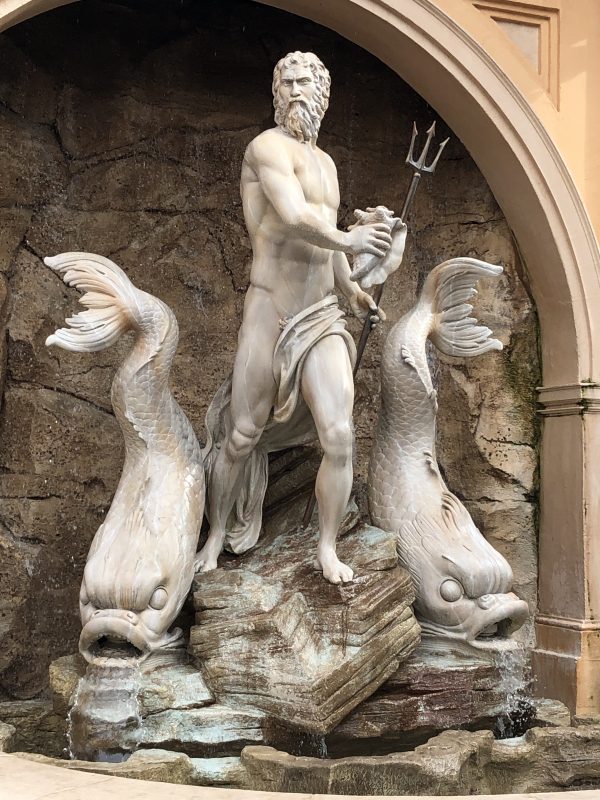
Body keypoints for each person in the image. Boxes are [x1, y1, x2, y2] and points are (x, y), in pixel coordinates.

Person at [196, 51, 392, 584]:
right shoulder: (265, 148)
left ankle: (326, 549)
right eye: (285, 83)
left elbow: (324, 243)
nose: (294, 91)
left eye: (304, 82)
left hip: (321, 315)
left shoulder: (326, 163)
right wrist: (351, 238)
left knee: (340, 435)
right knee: (240, 435)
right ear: (275, 94)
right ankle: (215, 536)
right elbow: (294, 215)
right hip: (270, 308)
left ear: (323, 91)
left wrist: (351, 288)